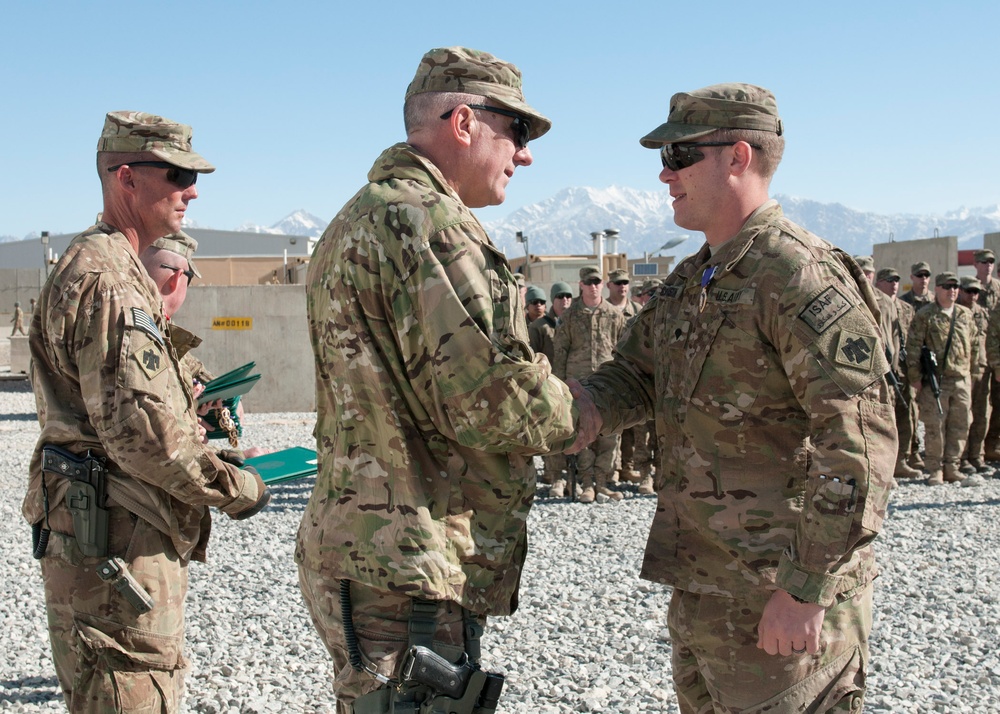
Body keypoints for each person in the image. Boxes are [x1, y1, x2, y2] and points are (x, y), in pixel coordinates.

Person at [573, 83, 895, 712]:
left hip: (779, 598)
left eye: (680, 156)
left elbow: (859, 443)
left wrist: (805, 590)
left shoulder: (795, 275)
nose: (664, 175)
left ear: (738, 157)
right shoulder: (696, 276)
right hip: (706, 586)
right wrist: (558, 409)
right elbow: (635, 377)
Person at [297, 46, 577, 714]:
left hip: (373, 552)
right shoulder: (428, 223)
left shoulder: (362, 215)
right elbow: (487, 402)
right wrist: (584, 411)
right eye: (516, 131)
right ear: (462, 123)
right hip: (406, 566)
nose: (526, 153)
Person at [24, 111, 270, 712]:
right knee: (128, 688)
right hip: (115, 536)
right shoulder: (108, 280)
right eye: (178, 174)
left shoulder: (107, 267)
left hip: (109, 524)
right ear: (126, 179)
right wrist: (235, 484)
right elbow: (142, 437)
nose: (191, 190)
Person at [553, 266, 628, 503]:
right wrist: (560, 386)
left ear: (602, 284)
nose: (593, 286)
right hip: (579, 385)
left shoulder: (614, 315)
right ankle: (586, 483)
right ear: (581, 285)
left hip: (608, 384)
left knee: (610, 433)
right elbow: (560, 352)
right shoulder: (570, 316)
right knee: (582, 432)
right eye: (589, 282)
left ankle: (603, 482)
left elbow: (623, 351)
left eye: (597, 282)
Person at [905, 272, 977, 484]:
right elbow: (913, 347)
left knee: (960, 424)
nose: (952, 290)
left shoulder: (965, 315)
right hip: (937, 380)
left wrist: (972, 374)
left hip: (961, 379)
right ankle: (935, 468)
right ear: (937, 289)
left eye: (955, 286)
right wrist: (915, 376)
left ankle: (952, 466)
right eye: (947, 286)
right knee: (935, 426)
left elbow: (973, 345)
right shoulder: (926, 315)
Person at [874, 267, 922, 479]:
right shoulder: (875, 304)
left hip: (903, 369)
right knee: (887, 418)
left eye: (896, 280)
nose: (894, 284)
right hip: (885, 371)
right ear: (879, 283)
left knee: (907, 415)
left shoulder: (905, 308)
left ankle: (903, 459)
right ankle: (886, 466)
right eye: (888, 280)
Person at [529, 281, 573, 491]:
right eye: (560, 297)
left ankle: (577, 477)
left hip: (573, 385)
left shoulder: (576, 322)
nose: (564, 300)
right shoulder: (539, 327)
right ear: (553, 300)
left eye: (568, 296)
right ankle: (555, 476)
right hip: (550, 388)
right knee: (553, 432)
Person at [957, 276, 991, 474]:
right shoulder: (956, 312)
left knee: (981, 415)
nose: (973, 295)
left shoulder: (983, 314)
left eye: (976, 292)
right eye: (969, 291)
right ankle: (961, 458)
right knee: (962, 417)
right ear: (961, 291)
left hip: (982, 370)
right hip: (961, 372)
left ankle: (977, 456)